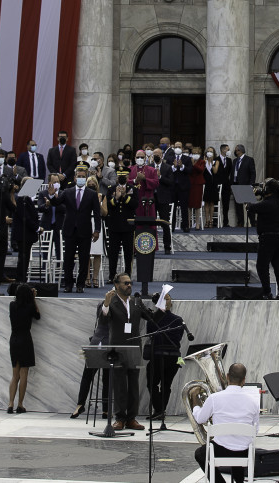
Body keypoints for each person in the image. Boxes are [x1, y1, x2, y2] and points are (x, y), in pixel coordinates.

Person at [192, 362, 260, 483]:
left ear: (227, 376)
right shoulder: (253, 401)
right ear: (244, 380)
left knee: (199, 454)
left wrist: (195, 402)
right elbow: (255, 431)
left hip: (220, 450)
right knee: (239, 443)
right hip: (244, 452)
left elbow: (200, 419)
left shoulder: (214, 398)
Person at [101, 273, 149, 430]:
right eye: (125, 283)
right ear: (117, 285)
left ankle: (131, 418)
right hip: (117, 348)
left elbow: (151, 317)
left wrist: (163, 306)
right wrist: (106, 304)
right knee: (119, 384)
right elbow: (103, 321)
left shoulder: (136, 302)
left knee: (133, 384)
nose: (129, 285)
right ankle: (120, 418)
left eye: (130, 283)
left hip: (134, 347)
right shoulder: (111, 302)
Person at [55, 168, 102, 294]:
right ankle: (68, 284)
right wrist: (52, 195)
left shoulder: (91, 194)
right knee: (68, 258)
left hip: (85, 230)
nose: (80, 178)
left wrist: (97, 230)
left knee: (84, 259)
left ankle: (80, 284)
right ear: (75, 178)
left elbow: (97, 214)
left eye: (83, 176)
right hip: (69, 230)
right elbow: (57, 202)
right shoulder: (67, 191)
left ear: (85, 178)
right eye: (79, 176)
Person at [146, 290, 188, 423]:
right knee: (156, 384)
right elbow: (150, 333)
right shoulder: (154, 318)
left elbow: (177, 337)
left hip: (167, 356)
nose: (166, 301)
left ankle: (159, 411)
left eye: (168, 298)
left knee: (162, 384)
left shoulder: (176, 319)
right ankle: (160, 410)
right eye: (163, 299)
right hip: (162, 355)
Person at [248, 179, 279, 299]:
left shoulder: (267, 204)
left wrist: (251, 196)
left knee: (262, 266)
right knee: (278, 267)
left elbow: (250, 207)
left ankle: (267, 292)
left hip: (268, 238)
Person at [7, 283, 40, 414]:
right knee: (23, 374)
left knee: (15, 375)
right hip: (25, 339)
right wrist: (33, 299)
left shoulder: (12, 305)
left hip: (14, 339)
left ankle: (10, 403)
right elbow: (38, 316)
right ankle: (20, 404)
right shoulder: (30, 306)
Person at [102, 178, 136, 281]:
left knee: (128, 253)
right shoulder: (111, 189)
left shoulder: (132, 189)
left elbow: (135, 204)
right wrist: (116, 198)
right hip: (114, 226)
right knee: (113, 253)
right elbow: (108, 205)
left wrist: (125, 196)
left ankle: (127, 275)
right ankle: (112, 275)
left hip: (128, 226)